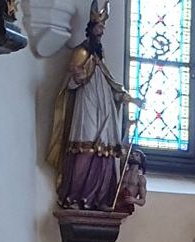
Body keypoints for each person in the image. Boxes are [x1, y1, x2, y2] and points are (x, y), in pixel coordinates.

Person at [46, 1, 137, 211]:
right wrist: (77, 76)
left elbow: (111, 82)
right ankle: (74, 197)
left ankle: (99, 198)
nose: (101, 31)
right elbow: (70, 82)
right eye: (98, 27)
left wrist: (126, 98)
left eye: (103, 27)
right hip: (86, 104)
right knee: (84, 147)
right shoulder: (81, 51)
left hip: (103, 106)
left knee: (104, 151)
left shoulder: (99, 57)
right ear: (91, 28)